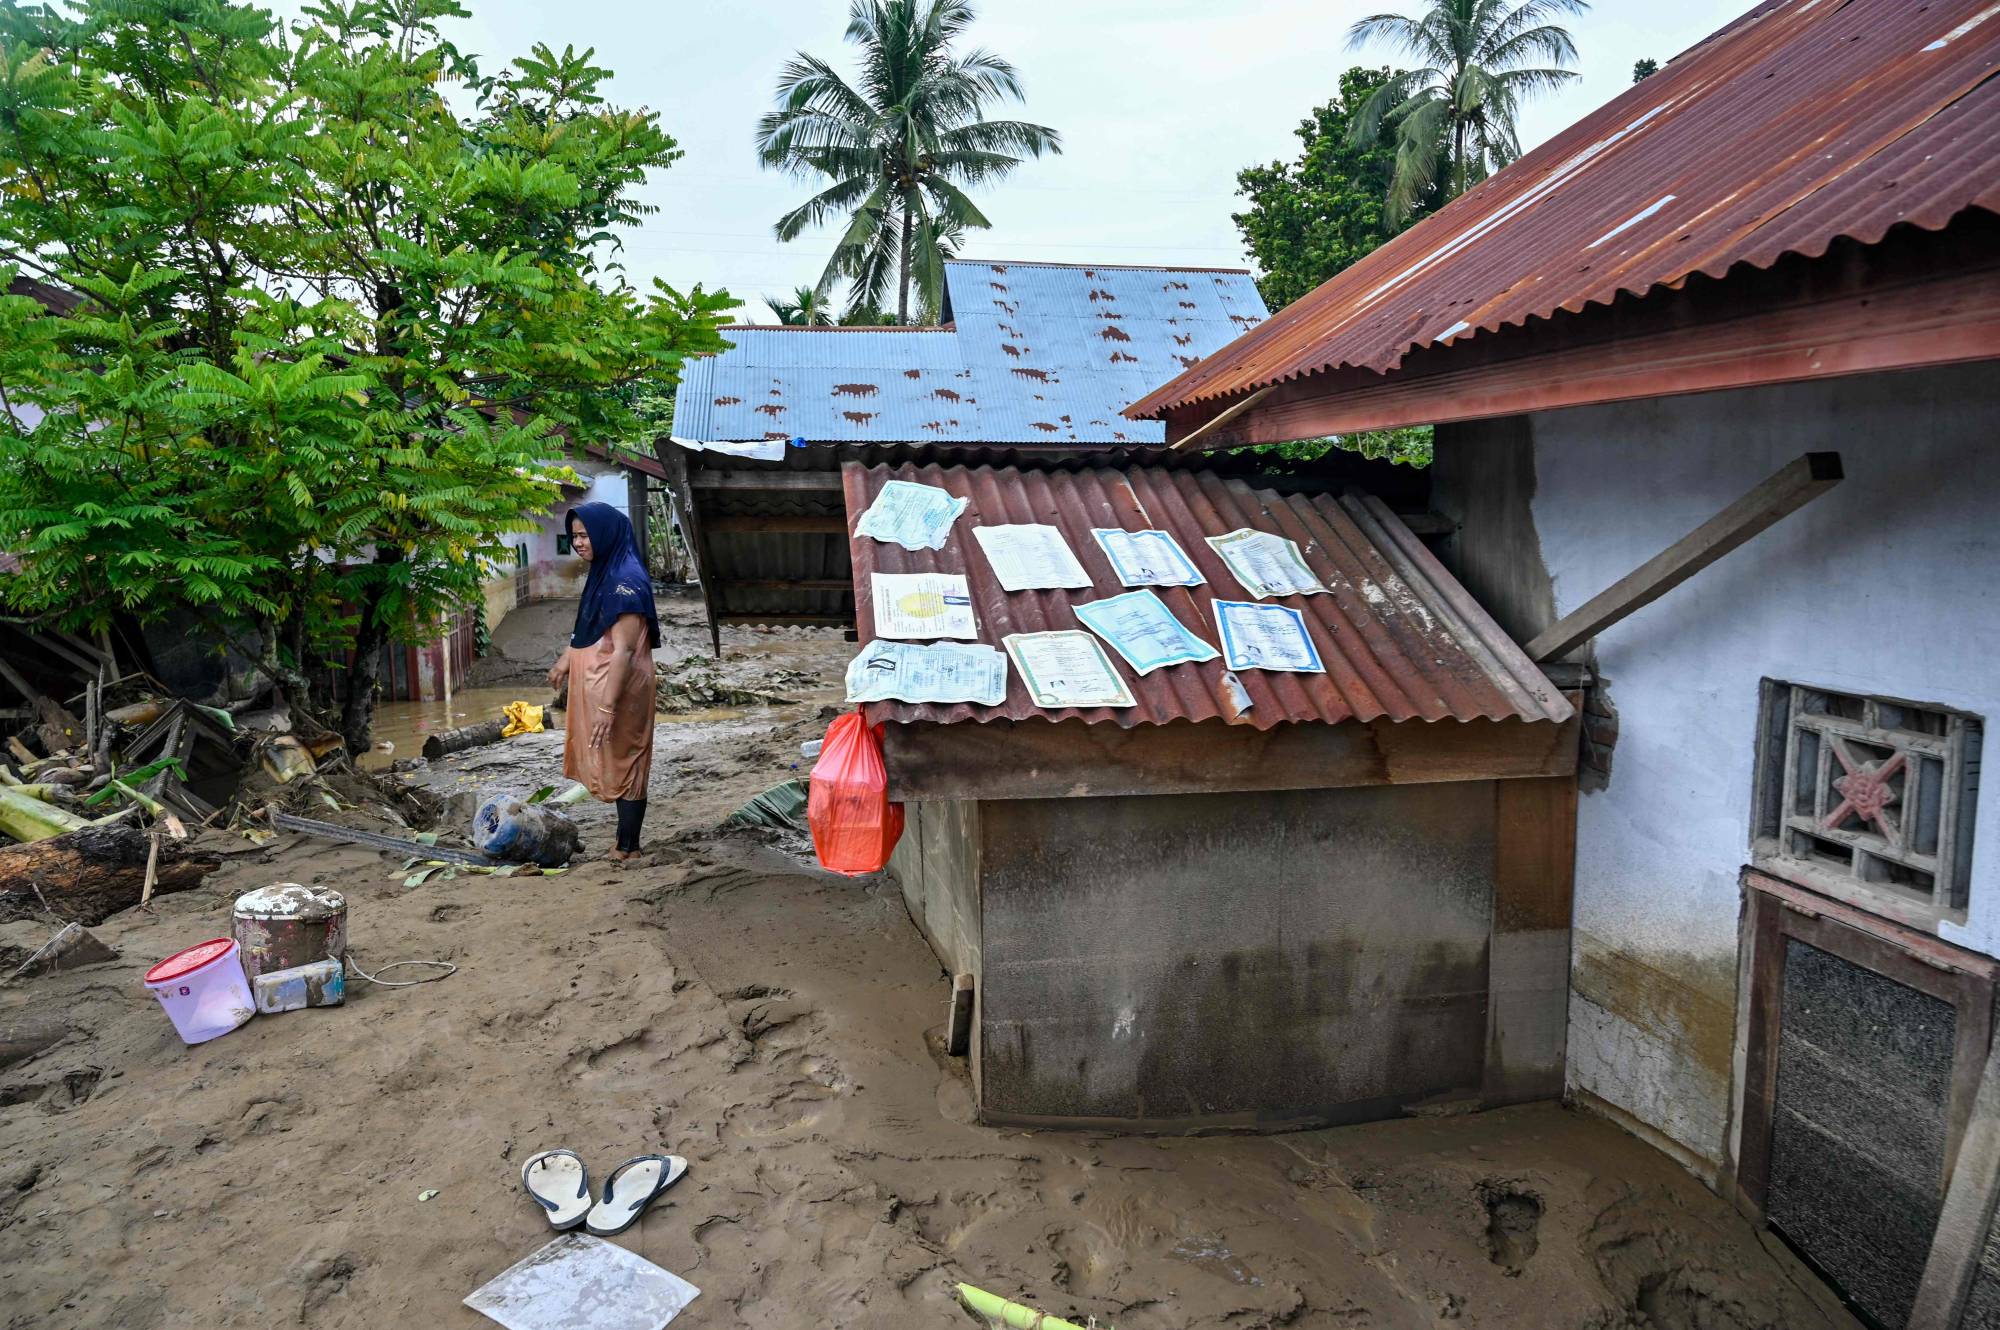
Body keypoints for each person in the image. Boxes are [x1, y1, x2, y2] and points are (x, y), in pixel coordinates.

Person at [547, 503, 660, 860]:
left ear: (605, 535)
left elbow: (624, 650)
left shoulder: (623, 580)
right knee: (617, 758)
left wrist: (607, 707)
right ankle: (623, 842)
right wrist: (568, 658)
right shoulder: (606, 571)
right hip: (606, 685)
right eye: (574, 536)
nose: (578, 543)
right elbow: (592, 624)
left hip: (620, 690)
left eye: (584, 535)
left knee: (627, 760)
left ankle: (629, 847)